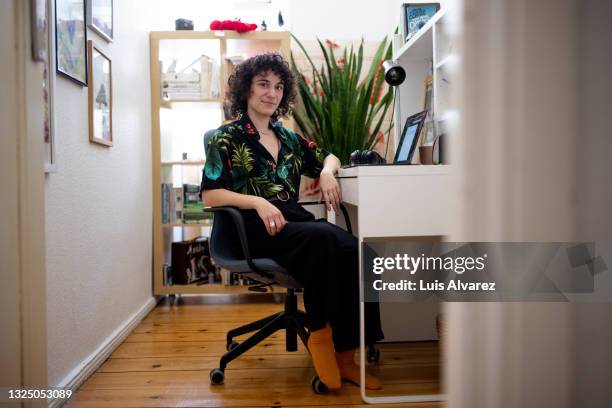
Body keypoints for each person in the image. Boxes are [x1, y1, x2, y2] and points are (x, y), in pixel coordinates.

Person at [200, 53, 383, 391]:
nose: (272, 93)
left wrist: (327, 172)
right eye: (263, 84)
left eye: (279, 86)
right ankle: (320, 335)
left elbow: (328, 156)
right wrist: (256, 201)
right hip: (251, 229)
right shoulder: (224, 138)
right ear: (246, 90)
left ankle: (348, 354)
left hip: (291, 222)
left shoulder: (288, 139)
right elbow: (210, 196)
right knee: (323, 240)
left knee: (359, 251)